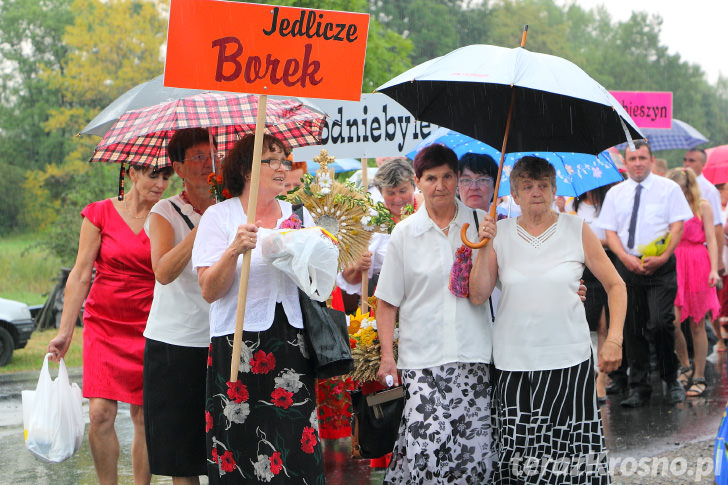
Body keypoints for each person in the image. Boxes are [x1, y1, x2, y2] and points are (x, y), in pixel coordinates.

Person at [469, 156, 626, 483]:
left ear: (555, 189)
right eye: (527, 185)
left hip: (569, 359)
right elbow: (478, 294)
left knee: (572, 456)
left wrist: (614, 340)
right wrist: (484, 244)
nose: (535, 191)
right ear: (514, 191)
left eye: (543, 185)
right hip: (514, 363)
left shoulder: (576, 229)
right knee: (521, 457)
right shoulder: (500, 232)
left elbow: (616, 284)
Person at [191, 134, 324, 483]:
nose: (283, 169)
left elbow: (317, 281)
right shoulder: (219, 217)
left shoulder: (299, 215)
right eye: (273, 161)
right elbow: (209, 290)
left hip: (291, 341)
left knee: (295, 445)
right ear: (247, 169)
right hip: (238, 344)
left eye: (285, 160)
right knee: (241, 443)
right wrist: (235, 249)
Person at [375, 144, 496, 482]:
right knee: (426, 449)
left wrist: (485, 247)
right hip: (420, 360)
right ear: (418, 182)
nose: (440, 185)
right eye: (431, 178)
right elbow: (386, 302)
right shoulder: (404, 233)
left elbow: (484, 293)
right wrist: (388, 356)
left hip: (471, 356)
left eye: (447, 177)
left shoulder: (479, 224)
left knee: (470, 457)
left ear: (457, 179)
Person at [47, 162, 173, 484]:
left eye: (166, 176)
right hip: (104, 325)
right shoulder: (99, 213)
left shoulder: (168, 217)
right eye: (153, 175)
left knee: (144, 416)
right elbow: (79, 275)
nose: (161, 183)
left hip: (151, 325)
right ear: (131, 174)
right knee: (100, 414)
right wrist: (65, 332)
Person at [143, 128, 217, 484]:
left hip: (221, 339)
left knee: (224, 444)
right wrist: (200, 231)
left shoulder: (234, 206)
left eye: (212, 154)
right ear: (179, 167)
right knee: (181, 454)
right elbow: (163, 271)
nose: (208, 163)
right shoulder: (164, 212)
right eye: (198, 157)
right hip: (175, 343)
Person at [596, 140, 693, 407]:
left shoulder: (668, 188)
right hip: (628, 267)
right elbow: (610, 232)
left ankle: (671, 378)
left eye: (642, 158)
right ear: (625, 164)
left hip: (660, 266)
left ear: (651, 160)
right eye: (632, 159)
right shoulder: (616, 194)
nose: (637, 163)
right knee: (633, 327)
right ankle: (639, 387)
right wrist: (625, 258)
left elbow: (677, 226)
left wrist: (662, 257)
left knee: (661, 322)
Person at [666, 167, 720, 398]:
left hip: (698, 263)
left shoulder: (702, 207)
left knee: (698, 323)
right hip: (675, 262)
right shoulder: (668, 207)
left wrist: (715, 270)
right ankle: (685, 365)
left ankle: (698, 375)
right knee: (674, 322)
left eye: (681, 189)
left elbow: (711, 239)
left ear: (688, 188)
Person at [572, 183, 619, 403]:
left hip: (605, 262)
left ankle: (602, 379)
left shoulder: (607, 205)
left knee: (604, 325)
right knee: (586, 323)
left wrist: (592, 242)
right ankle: (589, 373)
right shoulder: (575, 205)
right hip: (583, 268)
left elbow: (613, 237)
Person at [683, 148, 725, 351]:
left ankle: (709, 341)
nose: (687, 163)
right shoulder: (677, 186)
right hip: (681, 256)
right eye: (685, 159)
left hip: (701, 255)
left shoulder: (708, 190)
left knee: (700, 311)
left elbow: (716, 228)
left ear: (702, 163)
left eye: (692, 160)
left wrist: (717, 262)